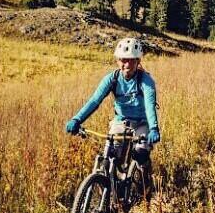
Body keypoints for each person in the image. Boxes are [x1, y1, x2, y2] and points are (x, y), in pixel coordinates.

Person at [66, 37, 160, 196]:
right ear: (118, 60)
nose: (127, 65)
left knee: (140, 152)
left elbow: (150, 106)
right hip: (121, 121)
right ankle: (115, 193)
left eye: (131, 60)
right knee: (109, 156)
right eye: (124, 60)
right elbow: (95, 100)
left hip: (142, 123)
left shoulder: (146, 80)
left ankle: (146, 189)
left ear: (138, 61)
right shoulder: (112, 79)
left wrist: (153, 128)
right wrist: (77, 119)